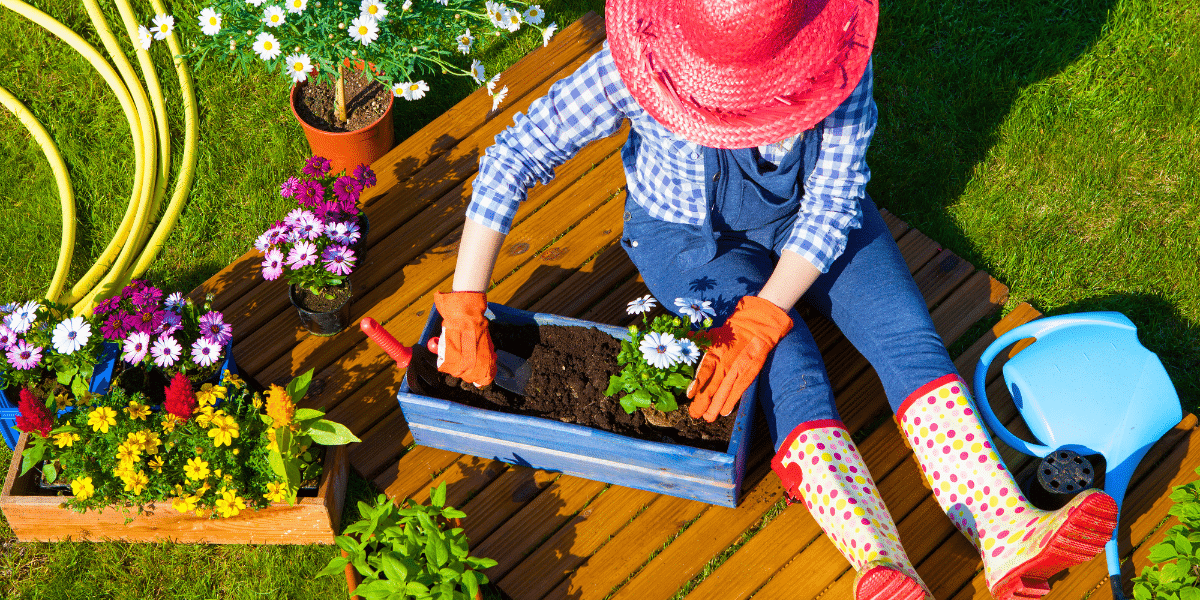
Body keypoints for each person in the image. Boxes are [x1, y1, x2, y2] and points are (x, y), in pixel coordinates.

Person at [432, 0, 1119, 598]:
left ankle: (1006, 528)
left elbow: (834, 200)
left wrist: (765, 311)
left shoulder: (835, 57)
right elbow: (517, 153)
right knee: (790, 364)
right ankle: (880, 562)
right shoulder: (641, 64)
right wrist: (468, 295)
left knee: (906, 333)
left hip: (813, 222)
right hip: (687, 244)